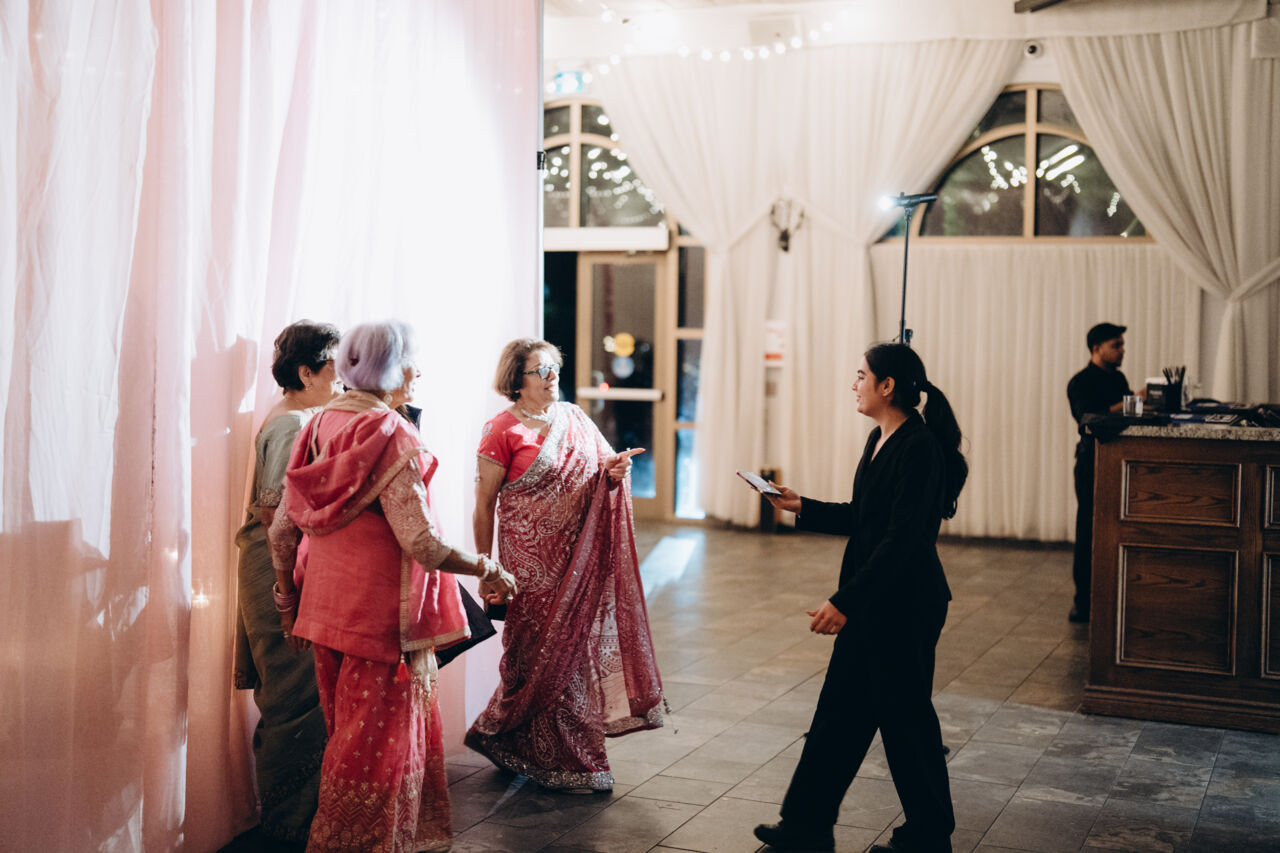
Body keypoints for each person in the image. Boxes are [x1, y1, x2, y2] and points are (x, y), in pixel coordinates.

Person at [268, 320, 517, 853]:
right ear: (388, 369)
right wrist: (487, 567)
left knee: (348, 739)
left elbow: (282, 530)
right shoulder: (392, 434)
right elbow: (421, 542)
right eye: (411, 362)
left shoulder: (319, 423)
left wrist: (288, 606)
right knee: (376, 753)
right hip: (384, 623)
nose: (418, 371)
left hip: (324, 612)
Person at [753, 342, 968, 853]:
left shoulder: (918, 447)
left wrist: (845, 601)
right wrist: (802, 505)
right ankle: (806, 826)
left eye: (861, 376)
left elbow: (903, 540)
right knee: (840, 715)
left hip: (905, 605)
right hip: (877, 600)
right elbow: (865, 517)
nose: (854, 384)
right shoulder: (880, 438)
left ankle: (929, 837)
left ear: (887, 386)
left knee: (906, 723)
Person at [464, 338, 664, 793]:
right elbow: (484, 505)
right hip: (527, 567)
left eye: (554, 367)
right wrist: (486, 568)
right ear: (517, 380)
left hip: (576, 560)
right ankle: (532, 745)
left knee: (571, 658)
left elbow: (603, 469)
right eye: (541, 370)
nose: (552, 376)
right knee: (530, 657)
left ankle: (537, 746)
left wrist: (616, 472)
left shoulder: (574, 418)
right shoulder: (500, 430)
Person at [233, 320, 341, 847]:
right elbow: (275, 514)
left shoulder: (300, 418)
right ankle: (286, 827)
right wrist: (286, 595)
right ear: (306, 373)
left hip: (287, 565)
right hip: (278, 568)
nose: (343, 381)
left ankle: (300, 821)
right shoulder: (293, 425)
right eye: (335, 370)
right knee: (293, 699)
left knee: (299, 694)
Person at [1066, 321, 1139, 624]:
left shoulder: (1119, 378)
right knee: (1089, 528)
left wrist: (1140, 404)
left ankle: (1111, 595)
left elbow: (1131, 414)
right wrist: (1131, 403)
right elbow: (1087, 418)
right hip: (1092, 461)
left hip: (1120, 459)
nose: (1122, 350)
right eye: (1116, 345)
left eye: (1122, 344)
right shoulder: (1080, 382)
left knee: (1115, 528)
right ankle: (1083, 600)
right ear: (1096, 348)